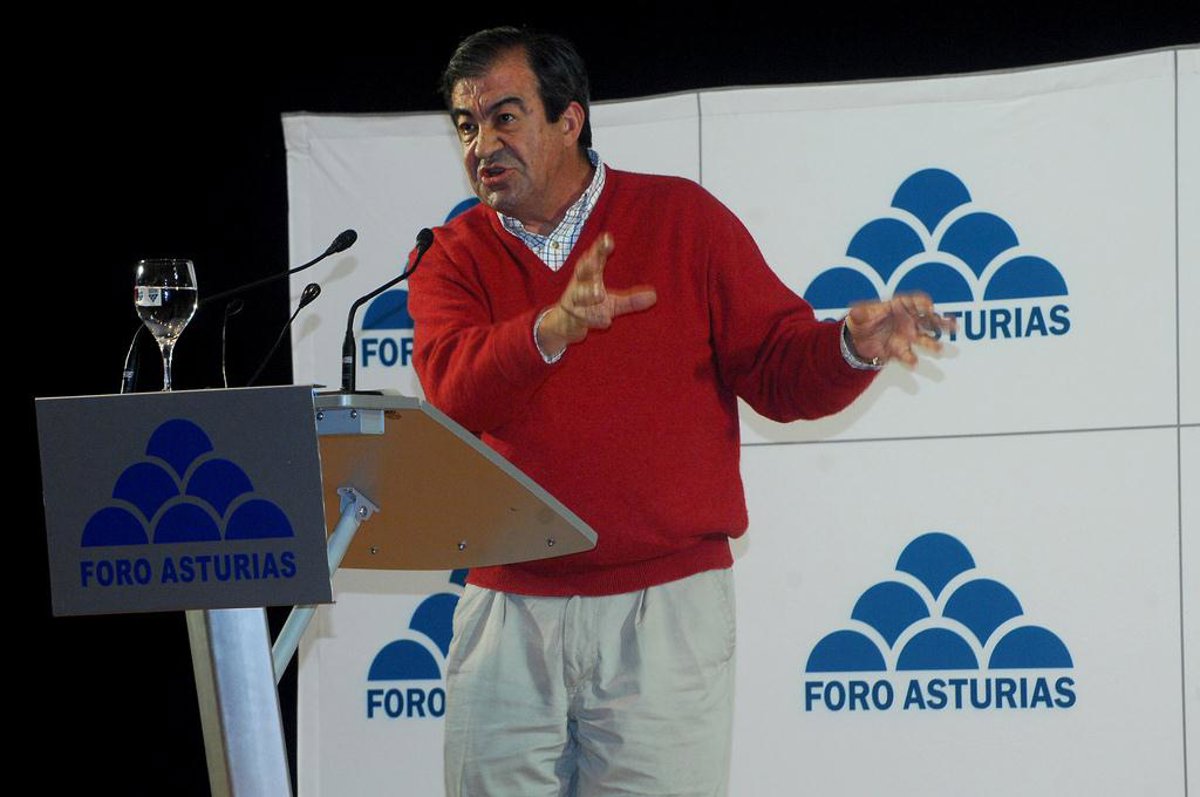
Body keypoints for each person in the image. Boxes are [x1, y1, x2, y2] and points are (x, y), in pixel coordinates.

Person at [408, 26, 953, 797]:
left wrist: (847, 347)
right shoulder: (451, 252)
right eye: (466, 125)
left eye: (505, 117)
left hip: (663, 610)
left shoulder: (683, 220)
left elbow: (777, 367)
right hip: (508, 607)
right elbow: (453, 393)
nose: (482, 145)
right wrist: (549, 329)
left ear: (569, 119)